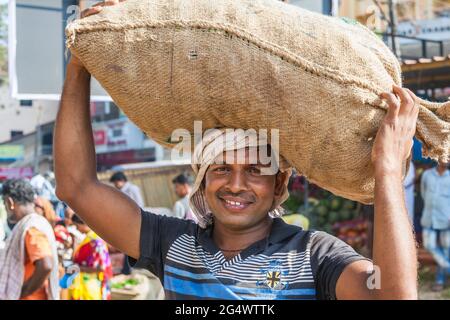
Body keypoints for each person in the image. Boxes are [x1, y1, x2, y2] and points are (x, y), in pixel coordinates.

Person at [54, 0, 419, 300]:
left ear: (279, 186)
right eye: (221, 168)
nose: (236, 184)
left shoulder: (313, 255)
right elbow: (75, 186)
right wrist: (79, 67)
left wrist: (386, 170)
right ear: (202, 180)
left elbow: (394, 297)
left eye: (256, 171)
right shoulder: (172, 244)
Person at [0, 179, 60, 300]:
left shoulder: (31, 228)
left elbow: (45, 265)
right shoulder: (36, 223)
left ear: (9, 202)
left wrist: (20, 293)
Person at [420, 161, 450, 291]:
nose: (447, 160)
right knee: (429, 246)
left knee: (445, 250)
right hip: (429, 218)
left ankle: (440, 281)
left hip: (446, 220)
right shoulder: (427, 175)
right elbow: (423, 193)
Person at [68, 214, 113, 300]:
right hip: (87, 285)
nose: (76, 229)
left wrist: (79, 268)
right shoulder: (88, 239)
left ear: (83, 223)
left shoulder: (95, 241)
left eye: (76, 226)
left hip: (93, 286)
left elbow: (101, 268)